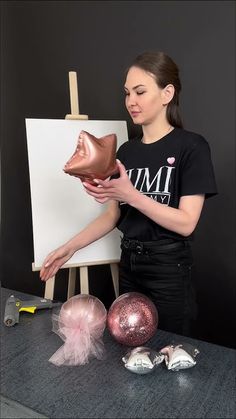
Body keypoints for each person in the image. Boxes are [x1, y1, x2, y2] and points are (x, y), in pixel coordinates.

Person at [40, 51, 217, 337]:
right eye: (126, 93)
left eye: (140, 91)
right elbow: (112, 216)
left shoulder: (192, 147)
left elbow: (186, 222)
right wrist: (69, 248)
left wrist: (132, 194)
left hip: (169, 270)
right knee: (130, 347)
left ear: (167, 93)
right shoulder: (126, 152)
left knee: (170, 349)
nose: (131, 101)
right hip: (130, 266)